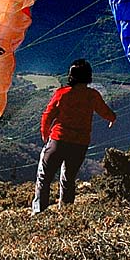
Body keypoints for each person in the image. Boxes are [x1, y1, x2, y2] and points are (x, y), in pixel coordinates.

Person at [32, 59, 117, 214]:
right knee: (68, 178)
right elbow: (105, 111)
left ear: (71, 76)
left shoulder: (62, 94)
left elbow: (47, 115)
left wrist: (45, 134)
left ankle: (39, 211)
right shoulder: (92, 95)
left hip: (58, 140)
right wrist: (112, 118)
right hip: (80, 143)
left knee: (44, 177)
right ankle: (66, 212)